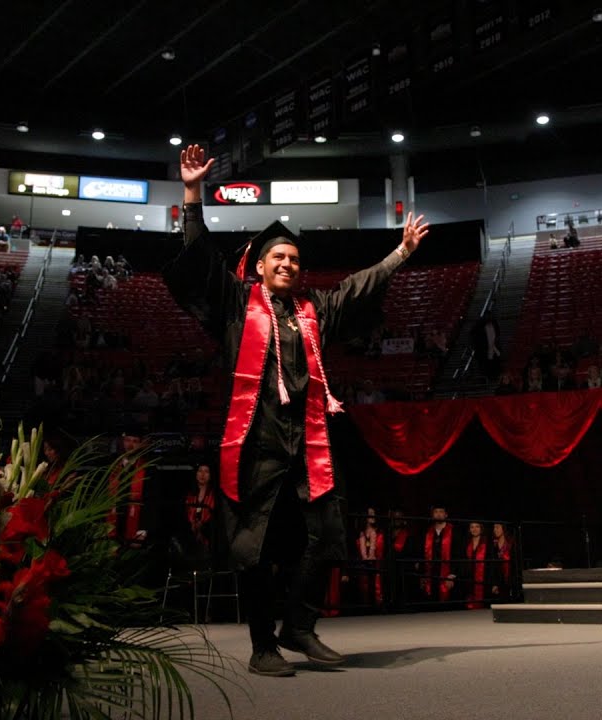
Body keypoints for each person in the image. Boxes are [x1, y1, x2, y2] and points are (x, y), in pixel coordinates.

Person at [163, 144, 429, 677]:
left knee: (329, 535)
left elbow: (358, 289)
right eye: (278, 258)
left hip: (309, 443)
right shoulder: (238, 304)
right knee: (254, 548)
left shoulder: (314, 310)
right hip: (256, 442)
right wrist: (193, 194)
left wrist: (400, 253)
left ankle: (299, 626)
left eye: (294, 259)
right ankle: (264, 646)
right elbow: (201, 259)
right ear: (259, 266)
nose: (288, 264)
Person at [461, 521, 494, 609]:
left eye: (477, 527)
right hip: (469, 578)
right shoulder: (466, 542)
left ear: (481, 529)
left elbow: (492, 564)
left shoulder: (487, 543)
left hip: (484, 578)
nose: (474, 529)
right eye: (472, 527)